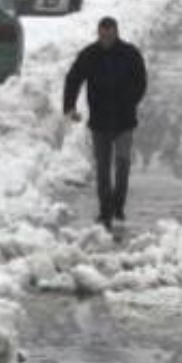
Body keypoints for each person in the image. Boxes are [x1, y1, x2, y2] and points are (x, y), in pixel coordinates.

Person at [63, 17, 147, 228]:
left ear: (116, 33)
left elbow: (141, 81)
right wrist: (70, 106)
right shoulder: (89, 55)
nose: (106, 40)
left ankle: (118, 205)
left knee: (122, 164)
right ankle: (105, 210)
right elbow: (73, 78)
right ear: (98, 34)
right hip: (99, 121)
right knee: (102, 166)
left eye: (109, 36)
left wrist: (131, 101)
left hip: (124, 120)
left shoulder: (130, 54)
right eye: (102, 36)